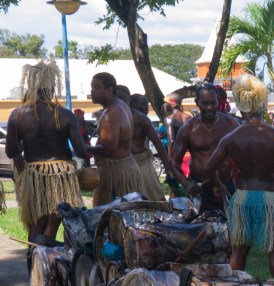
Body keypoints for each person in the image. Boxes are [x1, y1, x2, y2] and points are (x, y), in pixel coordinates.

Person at [205, 74, 274, 284]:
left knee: (239, 252)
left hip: (243, 199)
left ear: (240, 105)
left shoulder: (232, 137)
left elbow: (210, 166)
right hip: (272, 200)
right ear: (262, 104)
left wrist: (218, 184)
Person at [4, 61, 86, 242]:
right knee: (59, 219)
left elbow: (11, 151)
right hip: (62, 176)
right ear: (53, 86)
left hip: (34, 174)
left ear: (31, 86)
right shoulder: (64, 114)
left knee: (37, 221)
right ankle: (48, 248)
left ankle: (35, 262)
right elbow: (80, 151)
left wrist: (23, 171)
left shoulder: (17, 115)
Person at [170, 83, 240, 212]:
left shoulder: (231, 124)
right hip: (200, 188)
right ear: (197, 102)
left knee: (231, 228)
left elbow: (243, 155)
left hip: (226, 185)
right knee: (202, 228)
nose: (209, 107)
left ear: (218, 101)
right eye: (205, 103)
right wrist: (187, 184)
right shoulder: (189, 128)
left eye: (213, 103)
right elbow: (174, 162)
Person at [87, 72, 145, 206]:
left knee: (113, 221)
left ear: (109, 90)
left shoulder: (111, 114)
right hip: (126, 167)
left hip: (116, 174)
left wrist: (83, 147)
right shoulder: (121, 106)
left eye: (96, 87)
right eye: (92, 87)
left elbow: (107, 150)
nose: (92, 91)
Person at [125, 92, 170, 202]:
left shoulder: (143, 119)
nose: (147, 108)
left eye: (147, 105)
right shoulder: (119, 118)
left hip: (143, 165)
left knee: (153, 199)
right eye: (143, 104)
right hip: (125, 166)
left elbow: (158, 143)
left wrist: (169, 169)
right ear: (132, 104)